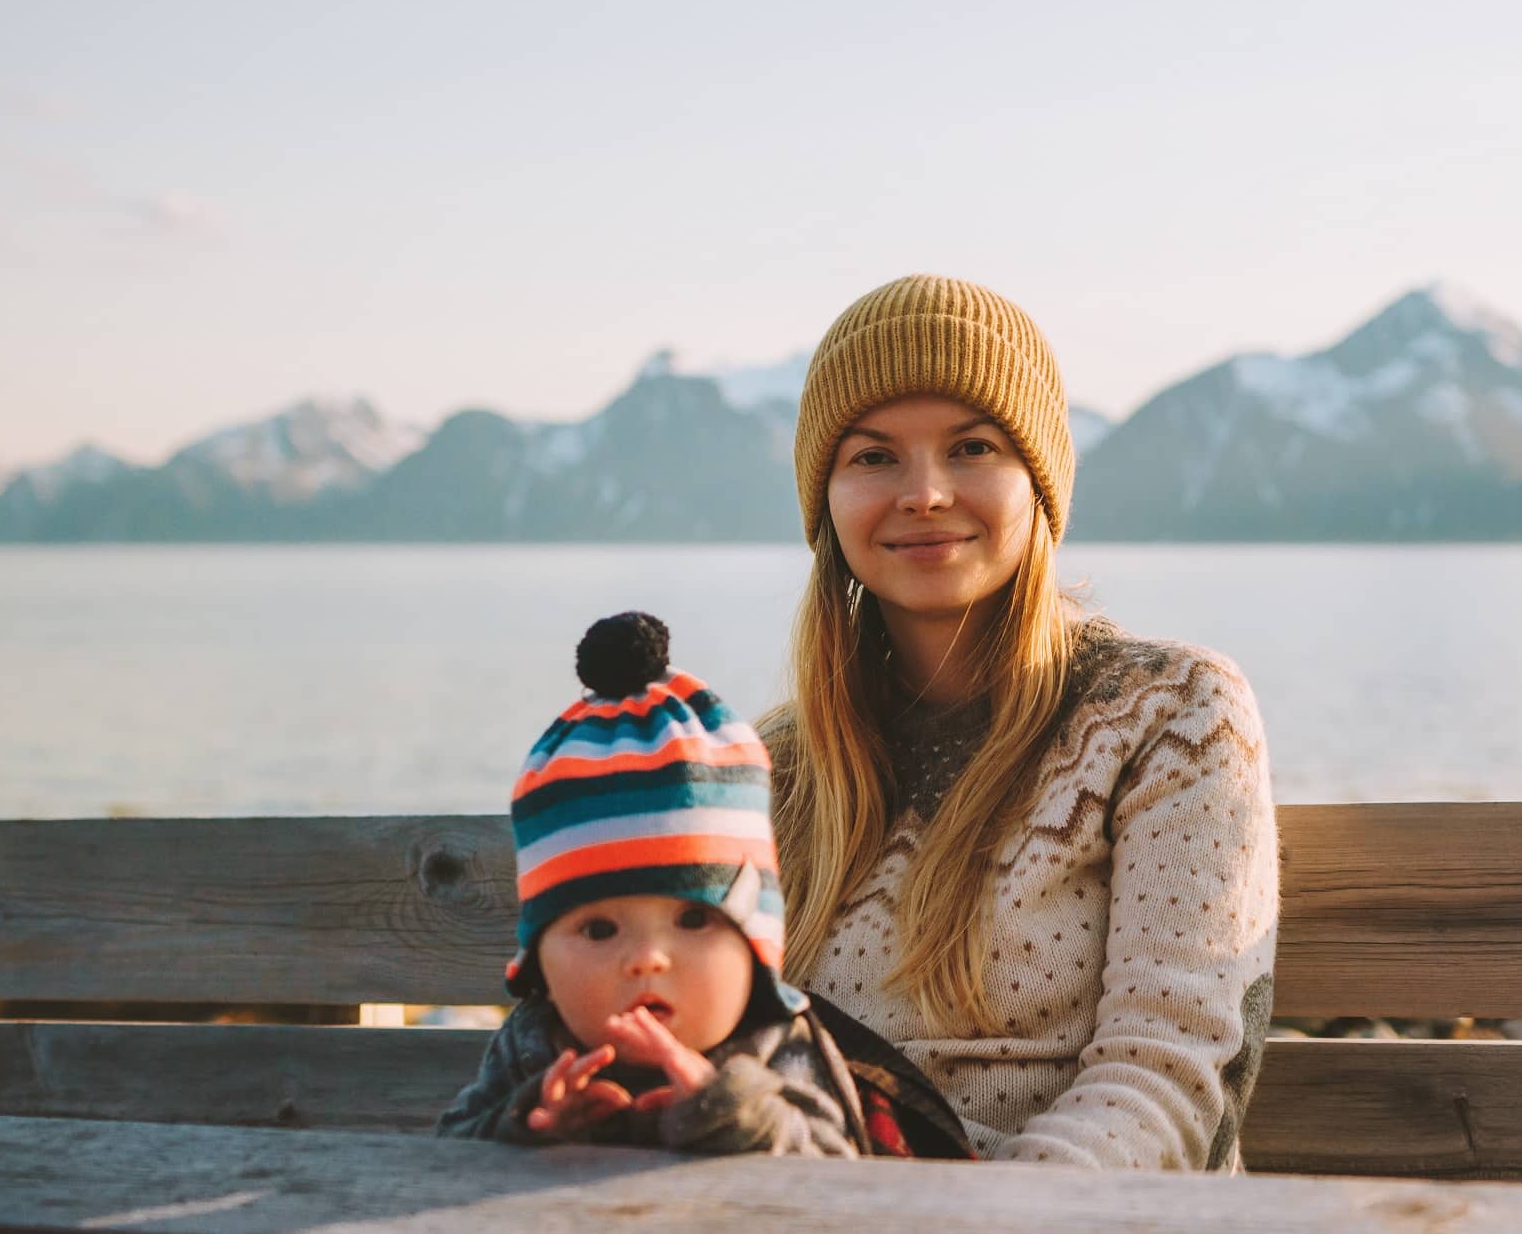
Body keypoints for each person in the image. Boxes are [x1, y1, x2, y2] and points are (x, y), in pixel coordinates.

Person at [761, 273, 1280, 1171]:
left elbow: (1172, 1081)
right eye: (873, 457)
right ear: (826, 501)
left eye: (972, 447)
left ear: (1038, 483)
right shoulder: (768, 768)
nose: (924, 493)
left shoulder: (1174, 714)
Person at [438, 611, 968, 1157]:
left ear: (754, 940)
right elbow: (451, 1147)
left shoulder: (772, 1044)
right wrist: (531, 1125)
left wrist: (725, 1107)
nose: (647, 959)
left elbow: (834, 1162)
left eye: (694, 918)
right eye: (598, 928)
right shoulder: (534, 1044)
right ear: (540, 960)